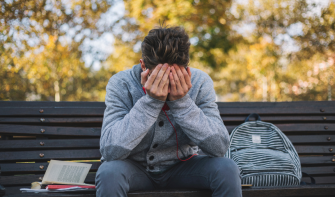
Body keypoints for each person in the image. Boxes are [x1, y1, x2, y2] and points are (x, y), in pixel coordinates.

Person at [96, 26, 242, 197]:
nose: (166, 85)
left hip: (184, 168)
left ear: (186, 70)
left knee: (227, 169)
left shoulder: (200, 82)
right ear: (143, 66)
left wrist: (182, 103)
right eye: (158, 77)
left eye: (173, 77)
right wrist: (150, 102)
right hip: (134, 169)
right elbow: (110, 150)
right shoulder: (121, 83)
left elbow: (219, 147)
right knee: (109, 173)